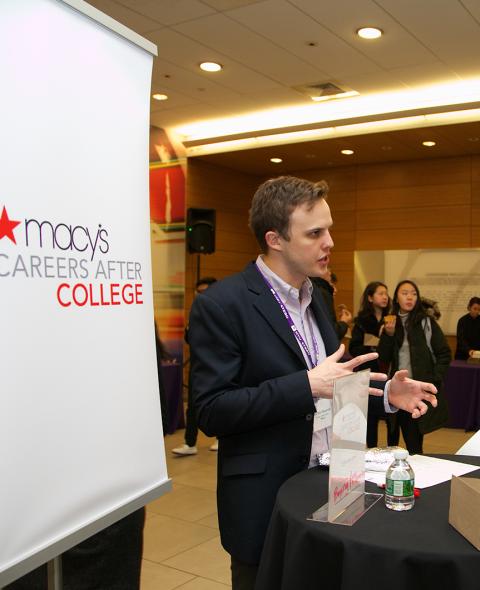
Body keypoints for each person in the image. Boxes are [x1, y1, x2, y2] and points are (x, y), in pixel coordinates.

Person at [188, 176, 439, 590]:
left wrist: (386, 398)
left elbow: (333, 388)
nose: (330, 243)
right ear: (275, 239)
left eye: (330, 229)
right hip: (266, 498)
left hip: (332, 487)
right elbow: (212, 409)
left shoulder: (317, 297)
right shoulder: (222, 304)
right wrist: (304, 385)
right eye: (315, 233)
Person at [378, 279, 451, 455]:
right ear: (396, 297)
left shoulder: (425, 322)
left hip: (415, 391)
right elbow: (383, 358)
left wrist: (435, 377)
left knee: (414, 444)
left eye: (414, 293)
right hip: (395, 389)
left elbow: (444, 353)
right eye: (404, 293)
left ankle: (417, 476)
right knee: (391, 440)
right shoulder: (390, 322)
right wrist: (388, 335)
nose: (410, 297)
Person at [172, 276, 217, 455]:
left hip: (220, 366)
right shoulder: (196, 312)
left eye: (205, 291)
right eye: (198, 292)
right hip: (198, 365)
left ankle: (221, 439)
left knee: (219, 403)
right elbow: (188, 338)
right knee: (193, 405)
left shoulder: (223, 309)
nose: (201, 295)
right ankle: (189, 443)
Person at [349, 281, 396, 448]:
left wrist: (388, 338)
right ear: (370, 297)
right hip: (367, 373)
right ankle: (370, 450)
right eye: (380, 293)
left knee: (392, 415)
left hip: (389, 371)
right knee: (370, 417)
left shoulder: (392, 317)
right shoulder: (362, 321)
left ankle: (392, 450)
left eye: (386, 293)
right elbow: (353, 348)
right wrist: (374, 344)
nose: (385, 297)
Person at [310, 268, 352, 340]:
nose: (335, 290)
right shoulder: (322, 293)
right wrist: (344, 322)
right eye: (331, 285)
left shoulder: (312, 290)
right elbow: (332, 334)